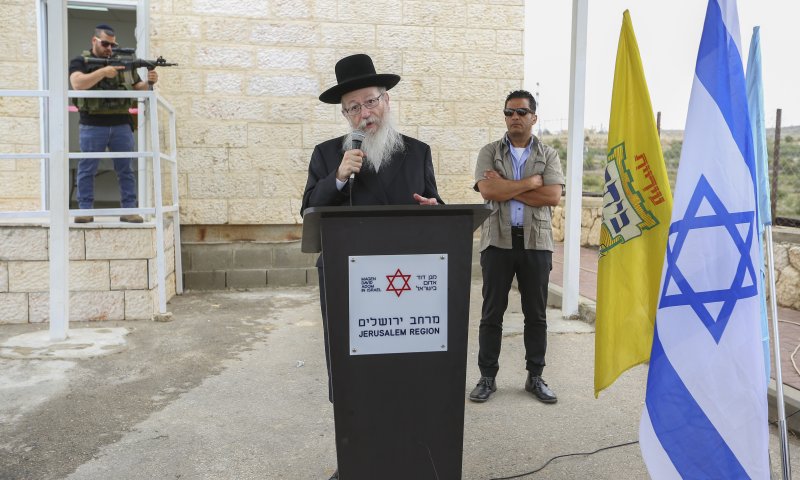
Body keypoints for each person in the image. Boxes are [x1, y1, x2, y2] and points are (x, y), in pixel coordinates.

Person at [300, 53, 443, 480]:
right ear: (345, 114)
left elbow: (437, 207)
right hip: (351, 291)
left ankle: (412, 460)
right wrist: (339, 178)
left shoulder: (417, 152)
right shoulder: (328, 156)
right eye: (354, 107)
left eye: (372, 101)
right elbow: (308, 210)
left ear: (387, 100)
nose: (366, 113)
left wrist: (436, 209)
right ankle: (356, 464)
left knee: (408, 377)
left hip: (411, 292)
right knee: (355, 381)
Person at [468, 90, 564, 405]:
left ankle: (535, 376)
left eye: (522, 112)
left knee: (535, 314)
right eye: (509, 112)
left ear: (534, 117)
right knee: (491, 313)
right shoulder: (489, 152)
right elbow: (487, 189)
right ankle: (487, 377)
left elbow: (551, 197)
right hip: (497, 241)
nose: (515, 118)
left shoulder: (548, 154)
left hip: (536, 242)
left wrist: (506, 188)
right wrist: (530, 183)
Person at [68, 24, 158, 224]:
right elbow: (77, 83)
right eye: (105, 43)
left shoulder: (123, 63)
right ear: (94, 40)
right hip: (92, 123)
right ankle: (84, 210)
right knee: (87, 168)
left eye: (112, 44)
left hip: (121, 123)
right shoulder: (81, 61)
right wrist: (102, 72)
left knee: (125, 168)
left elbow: (138, 89)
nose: (109, 48)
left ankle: (129, 210)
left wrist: (150, 82)